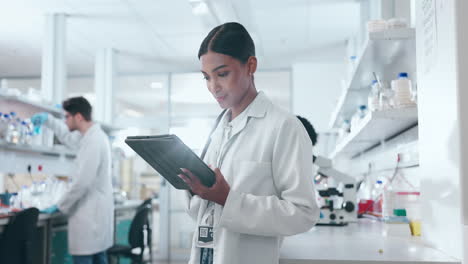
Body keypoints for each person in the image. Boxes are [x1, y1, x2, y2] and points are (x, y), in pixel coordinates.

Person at [178, 22, 320, 264]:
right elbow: (202, 213)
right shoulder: (218, 129)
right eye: (207, 77)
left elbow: (303, 213)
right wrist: (196, 190)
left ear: (250, 66)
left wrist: (228, 199)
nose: (213, 87)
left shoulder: (283, 126)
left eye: (222, 74)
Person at [32, 97, 113, 264]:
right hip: (93, 216)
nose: (65, 120)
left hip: (90, 217)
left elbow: (82, 182)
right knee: (99, 258)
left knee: (87, 258)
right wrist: (50, 121)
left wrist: (60, 205)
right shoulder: (89, 137)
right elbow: (68, 138)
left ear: (78, 117)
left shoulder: (94, 141)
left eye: (67, 116)